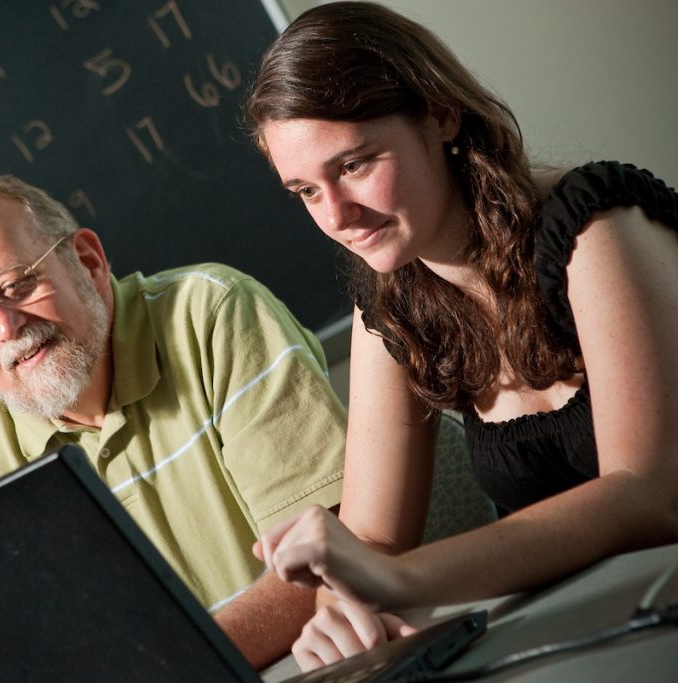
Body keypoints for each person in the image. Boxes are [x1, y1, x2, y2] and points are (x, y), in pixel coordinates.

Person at [243, 0, 678, 673]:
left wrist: (404, 582)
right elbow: (372, 543)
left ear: (439, 113)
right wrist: (343, 615)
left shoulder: (596, 225)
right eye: (305, 189)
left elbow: (648, 492)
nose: (336, 215)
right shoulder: (389, 304)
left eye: (354, 164)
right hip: (597, 635)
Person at [0, 173, 348, 667]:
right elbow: (12, 661)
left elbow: (332, 554)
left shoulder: (212, 313)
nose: (6, 327)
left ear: (87, 262)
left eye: (16, 284)